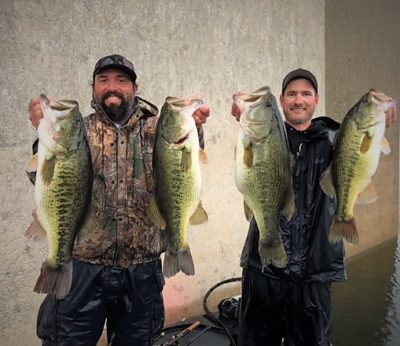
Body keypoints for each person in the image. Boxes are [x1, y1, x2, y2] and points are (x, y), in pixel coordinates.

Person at [27, 54, 210, 346]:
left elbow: (183, 166)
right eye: (104, 80)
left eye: (121, 80)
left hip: (142, 271)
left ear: (135, 88)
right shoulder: (77, 130)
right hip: (82, 268)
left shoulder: (156, 129)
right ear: (93, 88)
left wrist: (196, 126)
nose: (112, 87)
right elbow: (43, 181)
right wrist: (41, 136)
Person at [231, 68, 397, 346]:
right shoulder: (268, 135)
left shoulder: (335, 138)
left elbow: (357, 145)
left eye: (306, 94)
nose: (299, 100)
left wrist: (381, 115)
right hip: (264, 267)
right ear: (282, 101)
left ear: (316, 100)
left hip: (315, 270)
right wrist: (242, 108)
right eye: (292, 94)